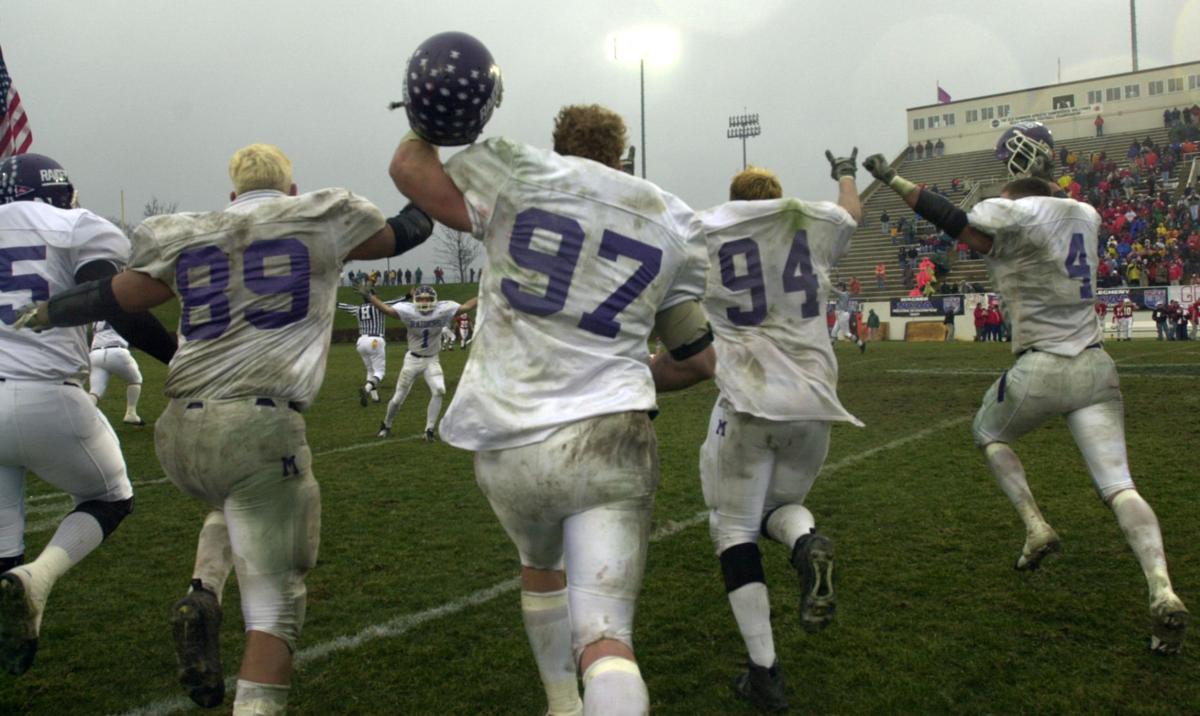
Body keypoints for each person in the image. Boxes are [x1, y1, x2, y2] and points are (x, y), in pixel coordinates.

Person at [16, 143, 434, 712]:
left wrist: (48, 311)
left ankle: (204, 591)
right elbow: (405, 232)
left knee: (234, 502)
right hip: (257, 426)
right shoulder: (316, 216)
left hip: (179, 434)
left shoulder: (191, 229)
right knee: (276, 609)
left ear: (232, 196)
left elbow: (119, 296)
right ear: (291, 191)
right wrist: (430, 183)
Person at [389, 33, 715, 713]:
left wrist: (428, 119)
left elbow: (411, 170)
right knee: (606, 637)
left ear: (559, 148)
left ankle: (561, 703)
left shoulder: (517, 168)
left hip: (510, 442)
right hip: (610, 436)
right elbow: (697, 359)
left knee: (541, 572)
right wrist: (633, 373)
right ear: (623, 157)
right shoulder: (671, 218)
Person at [863, 123, 1189, 654]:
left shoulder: (1010, 209)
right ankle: (1161, 585)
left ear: (1011, 179)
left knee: (987, 432)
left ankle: (1035, 525)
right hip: (1096, 366)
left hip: (1041, 365)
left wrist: (896, 181)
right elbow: (1013, 225)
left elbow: (960, 226)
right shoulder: (1086, 213)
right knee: (1119, 485)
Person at [695, 152, 864, 711]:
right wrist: (845, 171)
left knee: (734, 529)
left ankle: (764, 671)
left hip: (749, 400)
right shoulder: (810, 222)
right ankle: (804, 541)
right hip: (815, 402)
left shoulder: (707, 229)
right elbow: (850, 212)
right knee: (780, 509)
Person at [0, 153, 175, 678]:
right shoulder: (76, 225)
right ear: (60, 191)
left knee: (4, 535)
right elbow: (116, 303)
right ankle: (39, 580)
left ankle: (11, 616)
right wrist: (178, 357)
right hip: (46, 393)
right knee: (110, 496)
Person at [364, 284, 476, 441]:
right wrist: (370, 297)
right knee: (398, 399)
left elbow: (467, 306)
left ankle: (429, 430)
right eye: (421, 299)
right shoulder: (408, 310)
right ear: (416, 299)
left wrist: (486, 292)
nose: (424, 302)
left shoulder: (442, 310)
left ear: (434, 300)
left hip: (432, 359)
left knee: (439, 390)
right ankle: (386, 424)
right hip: (412, 360)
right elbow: (387, 310)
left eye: (427, 299)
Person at [336, 287, 408, 405]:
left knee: (370, 370)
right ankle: (366, 389)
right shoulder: (379, 306)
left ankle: (375, 398)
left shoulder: (358, 308)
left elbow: (345, 306)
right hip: (375, 340)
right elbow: (395, 301)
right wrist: (408, 295)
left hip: (361, 341)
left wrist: (335, 302)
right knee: (380, 372)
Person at [88, 320, 148, 426]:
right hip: (117, 351)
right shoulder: (119, 310)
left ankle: (83, 416)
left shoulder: (96, 316)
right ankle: (131, 413)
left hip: (95, 354)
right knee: (135, 380)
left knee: (95, 391)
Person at [829, 282, 866, 352]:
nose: (838, 288)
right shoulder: (844, 293)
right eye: (838, 287)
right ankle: (831, 349)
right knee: (833, 332)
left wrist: (827, 284)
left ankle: (861, 344)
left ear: (842, 287)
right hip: (840, 315)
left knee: (846, 333)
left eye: (839, 287)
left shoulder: (843, 294)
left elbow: (833, 290)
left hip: (842, 315)